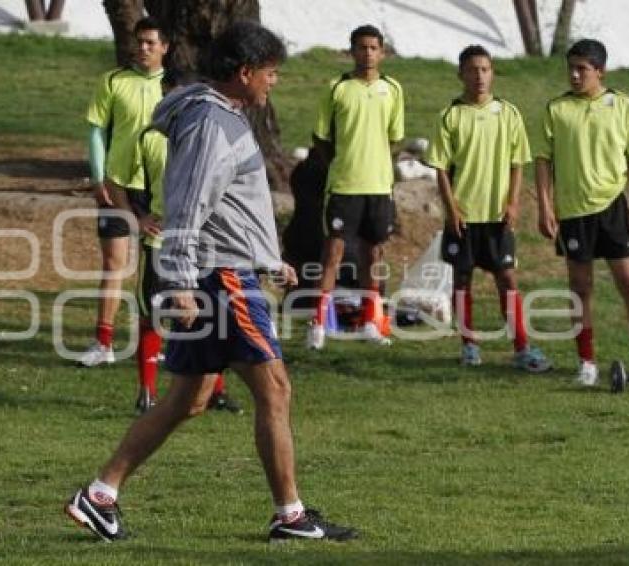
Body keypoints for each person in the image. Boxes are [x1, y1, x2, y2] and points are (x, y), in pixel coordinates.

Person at [65, 22, 356, 543]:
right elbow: (188, 205)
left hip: (227, 270)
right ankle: (289, 516)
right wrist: (178, 280)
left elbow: (229, 207)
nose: (274, 83)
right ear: (244, 73)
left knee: (189, 400)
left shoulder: (222, 116)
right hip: (219, 280)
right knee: (276, 390)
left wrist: (267, 259)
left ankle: (100, 494)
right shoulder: (210, 125)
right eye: (270, 73)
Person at [107, 66, 242, 415]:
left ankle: (216, 391)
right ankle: (147, 391)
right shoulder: (148, 136)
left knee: (211, 316)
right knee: (154, 315)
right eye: (171, 94)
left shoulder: (212, 133)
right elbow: (116, 181)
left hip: (204, 246)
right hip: (162, 245)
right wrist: (137, 219)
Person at [536, 39, 629, 391]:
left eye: (583, 69)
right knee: (580, 288)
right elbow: (543, 160)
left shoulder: (623, 105)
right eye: (571, 68)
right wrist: (545, 205)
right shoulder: (557, 109)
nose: (575, 75)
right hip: (573, 213)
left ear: (600, 71)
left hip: (613, 208)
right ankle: (586, 363)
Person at [424, 45, 551, 372]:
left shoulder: (508, 113)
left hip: (496, 216)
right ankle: (469, 345)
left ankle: (521, 345)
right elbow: (440, 168)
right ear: (461, 74)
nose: (479, 76)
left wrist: (513, 202)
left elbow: (517, 162)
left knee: (507, 278)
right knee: (462, 280)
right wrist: (451, 210)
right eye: (472, 70)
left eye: (484, 69)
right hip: (464, 216)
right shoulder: (450, 115)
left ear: (492, 72)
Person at [77, 17, 168, 368]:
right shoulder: (113, 81)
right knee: (114, 263)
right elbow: (96, 130)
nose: (143, 48)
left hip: (158, 187)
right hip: (118, 183)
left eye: (150, 43)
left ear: (165, 47)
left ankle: (156, 340)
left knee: (158, 268)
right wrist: (98, 177)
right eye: (139, 42)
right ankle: (103, 342)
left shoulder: (174, 87)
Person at [307, 24, 404, 350]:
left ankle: (371, 322)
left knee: (372, 254)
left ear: (383, 52)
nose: (368, 53)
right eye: (361, 48)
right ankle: (318, 324)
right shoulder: (336, 88)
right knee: (333, 253)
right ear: (352, 51)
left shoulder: (393, 89)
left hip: (378, 186)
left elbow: (395, 138)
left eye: (374, 48)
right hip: (344, 185)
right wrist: (341, 163)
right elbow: (320, 138)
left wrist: (378, 165)